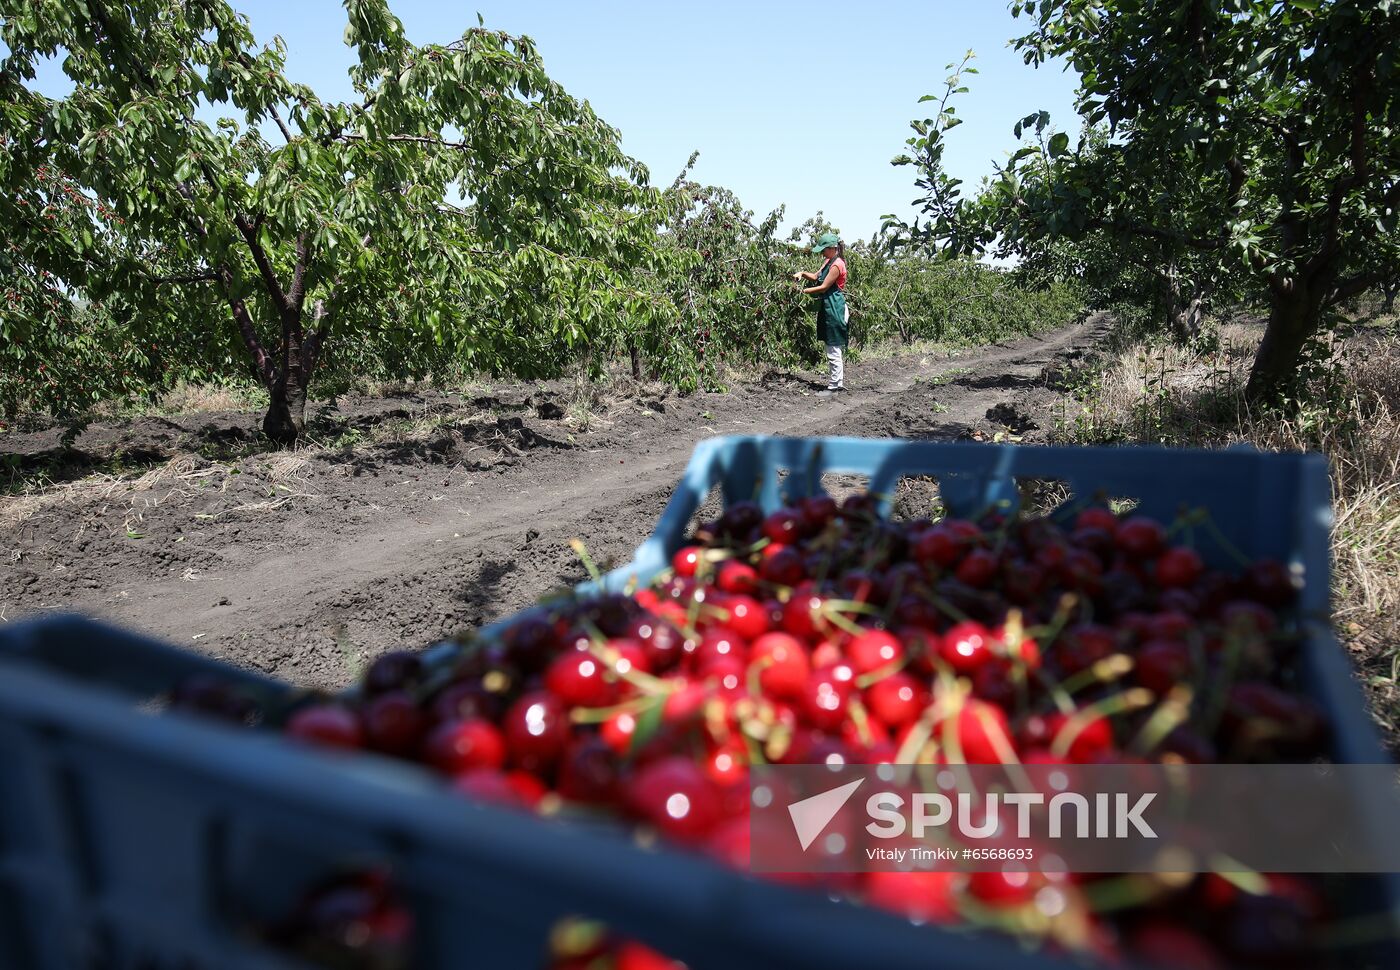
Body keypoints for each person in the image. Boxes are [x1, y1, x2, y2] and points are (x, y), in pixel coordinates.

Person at [793, 232, 848, 393]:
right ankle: (836, 383)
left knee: (833, 347)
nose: (822, 253)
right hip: (827, 305)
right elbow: (816, 276)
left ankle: (834, 386)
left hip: (834, 307)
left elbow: (824, 286)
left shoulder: (837, 265)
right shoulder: (828, 261)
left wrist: (804, 291)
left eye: (824, 250)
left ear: (832, 248)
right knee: (831, 346)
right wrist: (802, 273)